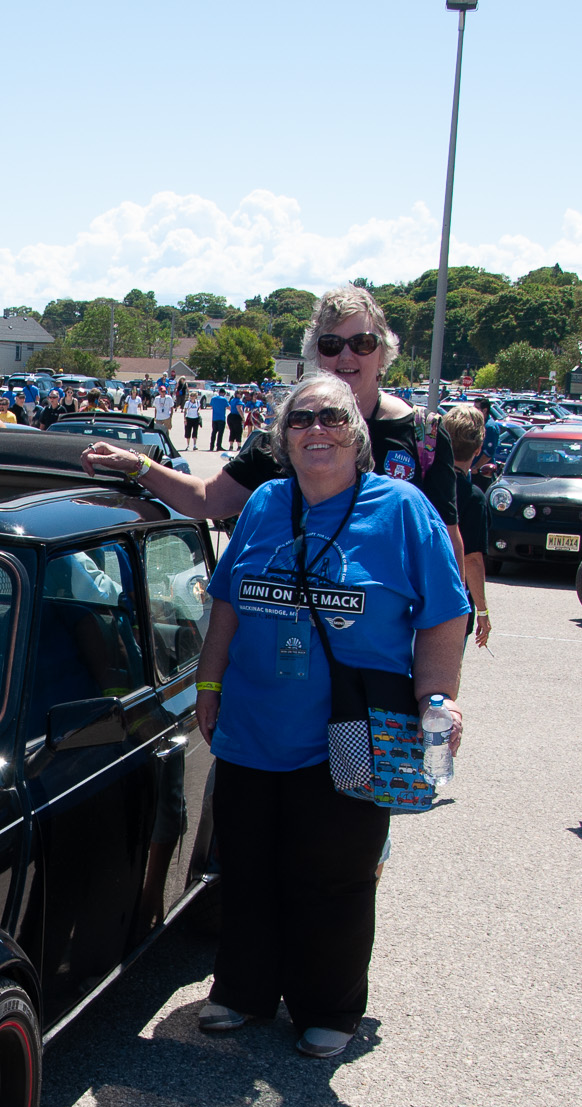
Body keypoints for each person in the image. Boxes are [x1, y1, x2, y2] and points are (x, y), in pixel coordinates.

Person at [193, 372, 470, 1051]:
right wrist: (209, 683)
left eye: (333, 418)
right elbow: (227, 600)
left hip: (352, 729)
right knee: (248, 865)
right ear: (283, 438)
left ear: (358, 435)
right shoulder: (265, 502)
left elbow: (444, 613)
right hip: (253, 722)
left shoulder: (401, 509)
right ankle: (243, 988)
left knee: (335, 873)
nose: (316, 429)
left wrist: (437, 697)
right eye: (301, 419)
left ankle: (329, 1006)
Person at [80, 288, 463, 569]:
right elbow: (207, 499)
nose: (346, 355)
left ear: (383, 353)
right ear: (316, 355)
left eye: (361, 343)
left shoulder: (422, 435)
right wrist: (137, 464)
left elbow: (448, 547)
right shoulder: (285, 437)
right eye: (331, 344)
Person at [439, 403, 494, 650]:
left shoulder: (422, 485)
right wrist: (482, 610)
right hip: (451, 603)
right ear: (478, 448)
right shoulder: (473, 497)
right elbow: (471, 559)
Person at [209, 386, 230, 450]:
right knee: (220, 433)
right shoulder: (224, 399)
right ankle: (218, 446)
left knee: (214, 432)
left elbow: (211, 405)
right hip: (221, 418)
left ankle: (211, 446)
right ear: (224, 393)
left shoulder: (213, 398)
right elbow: (228, 407)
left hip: (214, 418)